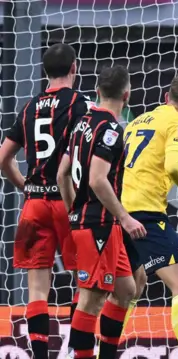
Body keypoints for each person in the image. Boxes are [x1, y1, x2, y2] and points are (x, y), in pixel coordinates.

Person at [0, 43, 93, 359]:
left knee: (37, 290)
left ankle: (40, 355)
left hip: (34, 203)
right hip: (68, 204)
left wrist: (24, 185)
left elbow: (3, 158)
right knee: (85, 283)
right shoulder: (81, 104)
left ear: (44, 71)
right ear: (74, 68)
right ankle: (77, 353)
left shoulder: (28, 107)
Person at [57, 65, 146, 359]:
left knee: (127, 289)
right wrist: (124, 216)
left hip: (94, 222)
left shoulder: (82, 122)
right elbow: (97, 179)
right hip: (101, 224)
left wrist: (74, 210)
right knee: (91, 301)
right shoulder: (109, 130)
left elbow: (62, 174)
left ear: (97, 92)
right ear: (127, 94)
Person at [119, 74, 178, 359]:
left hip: (119, 211)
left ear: (165, 97)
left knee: (132, 286)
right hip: (145, 213)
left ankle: (102, 352)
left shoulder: (137, 122)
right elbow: (173, 165)